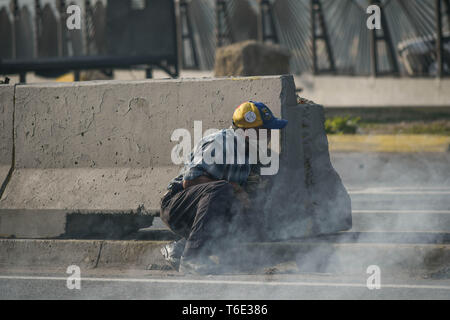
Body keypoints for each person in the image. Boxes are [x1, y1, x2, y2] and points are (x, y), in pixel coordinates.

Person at [159, 101, 288, 274]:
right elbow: (189, 181)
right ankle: (192, 258)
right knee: (222, 189)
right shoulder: (221, 143)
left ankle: (180, 248)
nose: (271, 135)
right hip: (177, 207)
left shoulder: (250, 152)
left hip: (207, 207)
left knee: (252, 217)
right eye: (266, 131)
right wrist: (235, 188)